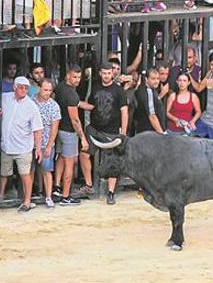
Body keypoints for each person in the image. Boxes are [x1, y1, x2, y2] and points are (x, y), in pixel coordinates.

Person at [82, 61, 129, 205]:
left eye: (109, 73)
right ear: (100, 73)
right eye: (105, 73)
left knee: (112, 162)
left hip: (112, 131)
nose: (107, 75)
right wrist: (75, 103)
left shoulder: (119, 90)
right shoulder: (95, 88)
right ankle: (89, 185)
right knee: (84, 153)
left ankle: (110, 193)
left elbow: (124, 111)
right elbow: (91, 106)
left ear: (112, 74)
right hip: (95, 128)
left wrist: (123, 133)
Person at [0, 76, 44, 212]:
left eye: (26, 88)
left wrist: (38, 148)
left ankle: (27, 201)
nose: (23, 90)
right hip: (6, 145)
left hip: (23, 147)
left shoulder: (31, 106)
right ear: (14, 87)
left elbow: (37, 129)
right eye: (21, 87)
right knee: (4, 173)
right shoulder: (4, 97)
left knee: (25, 175)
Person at [53, 65, 88, 206]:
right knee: (70, 163)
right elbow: (75, 120)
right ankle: (66, 196)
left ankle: (56, 187)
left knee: (61, 158)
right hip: (69, 132)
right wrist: (83, 138)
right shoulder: (72, 94)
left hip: (59, 130)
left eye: (79, 77)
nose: (77, 80)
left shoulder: (61, 87)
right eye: (74, 77)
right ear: (68, 76)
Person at [32, 79, 61, 209]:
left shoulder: (54, 105)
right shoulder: (31, 102)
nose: (48, 93)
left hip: (45, 142)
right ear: (39, 88)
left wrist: (49, 145)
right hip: (29, 142)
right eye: (45, 90)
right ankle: (28, 196)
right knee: (29, 170)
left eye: (50, 90)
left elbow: (54, 128)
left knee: (47, 170)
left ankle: (48, 196)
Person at [134, 67, 166, 134]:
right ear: (146, 79)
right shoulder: (148, 92)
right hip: (150, 133)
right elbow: (152, 116)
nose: (156, 81)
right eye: (153, 79)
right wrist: (162, 134)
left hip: (146, 132)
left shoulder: (148, 89)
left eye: (158, 78)